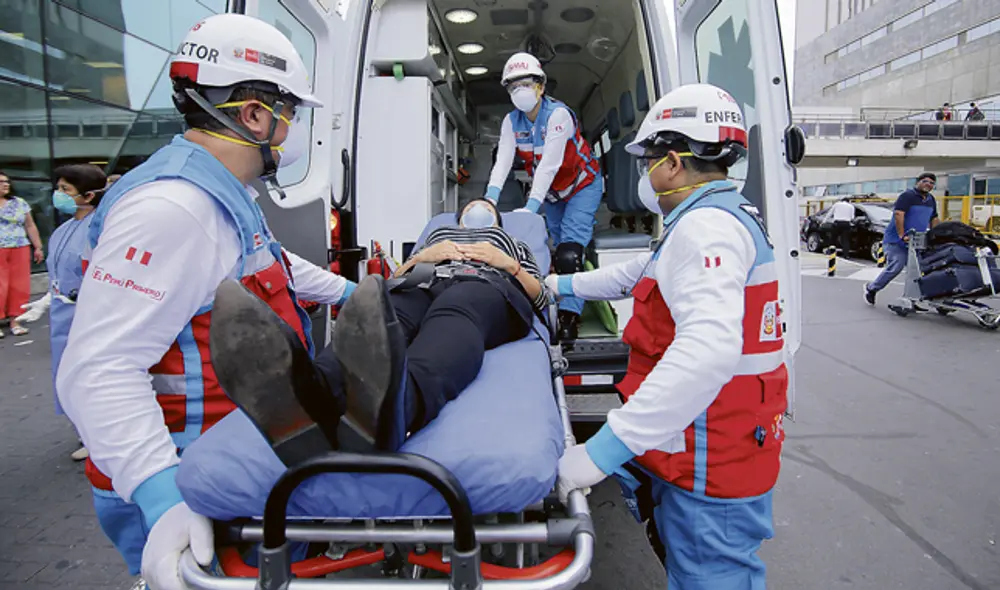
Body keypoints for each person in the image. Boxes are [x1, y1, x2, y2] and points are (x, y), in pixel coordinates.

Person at [55, 14, 353, 590]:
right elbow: (98, 369)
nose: (292, 132)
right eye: (289, 114)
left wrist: (351, 293)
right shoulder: (174, 209)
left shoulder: (222, 192)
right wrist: (161, 493)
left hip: (242, 459)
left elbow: (272, 264)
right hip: (195, 479)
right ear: (254, 115)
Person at [549, 83, 788, 589]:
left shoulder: (706, 231)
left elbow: (705, 353)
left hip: (711, 456)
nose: (646, 173)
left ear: (674, 163)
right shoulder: (714, 218)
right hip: (706, 441)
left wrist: (599, 454)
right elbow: (636, 272)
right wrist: (552, 285)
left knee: (711, 577)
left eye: (649, 160)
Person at [209, 198, 550, 456]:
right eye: (471, 208)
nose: (477, 211)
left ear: (498, 222)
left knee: (454, 314)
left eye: (485, 208)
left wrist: (507, 264)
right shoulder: (438, 236)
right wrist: (422, 258)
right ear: (458, 219)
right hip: (423, 280)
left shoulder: (511, 245)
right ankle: (311, 395)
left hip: (484, 284)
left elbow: (542, 298)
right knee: (391, 311)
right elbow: (398, 278)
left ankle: (401, 406)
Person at [483, 52, 603, 341]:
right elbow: (503, 162)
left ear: (541, 86)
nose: (520, 91)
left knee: (570, 252)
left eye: (526, 83)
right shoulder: (512, 122)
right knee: (555, 248)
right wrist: (489, 201)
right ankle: (553, 303)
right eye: (513, 86)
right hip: (552, 195)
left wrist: (531, 206)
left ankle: (570, 316)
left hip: (581, 186)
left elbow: (549, 163)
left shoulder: (558, 116)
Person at [16, 164, 108, 462]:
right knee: (67, 377)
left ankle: (104, 437)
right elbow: (60, 275)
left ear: (89, 195)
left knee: (95, 378)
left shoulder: (103, 229)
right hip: (63, 315)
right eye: (59, 188)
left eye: (66, 190)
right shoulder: (63, 230)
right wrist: (45, 301)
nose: (59, 195)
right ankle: (84, 433)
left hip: (93, 315)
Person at [864, 173, 939, 305]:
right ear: (918, 182)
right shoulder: (907, 196)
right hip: (896, 241)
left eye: (932, 183)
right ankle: (872, 288)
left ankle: (914, 299)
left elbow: (934, 218)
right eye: (925, 181)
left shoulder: (930, 199)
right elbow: (899, 214)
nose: (928, 184)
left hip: (916, 241)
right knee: (897, 265)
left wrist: (936, 235)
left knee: (920, 270)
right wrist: (901, 234)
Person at [0, 171, 45, 337]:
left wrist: (38, 247)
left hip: (19, 246)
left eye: (7, 181)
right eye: (1, 182)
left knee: (19, 285)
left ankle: (15, 320)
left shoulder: (19, 203)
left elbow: (30, 225)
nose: (6, 184)